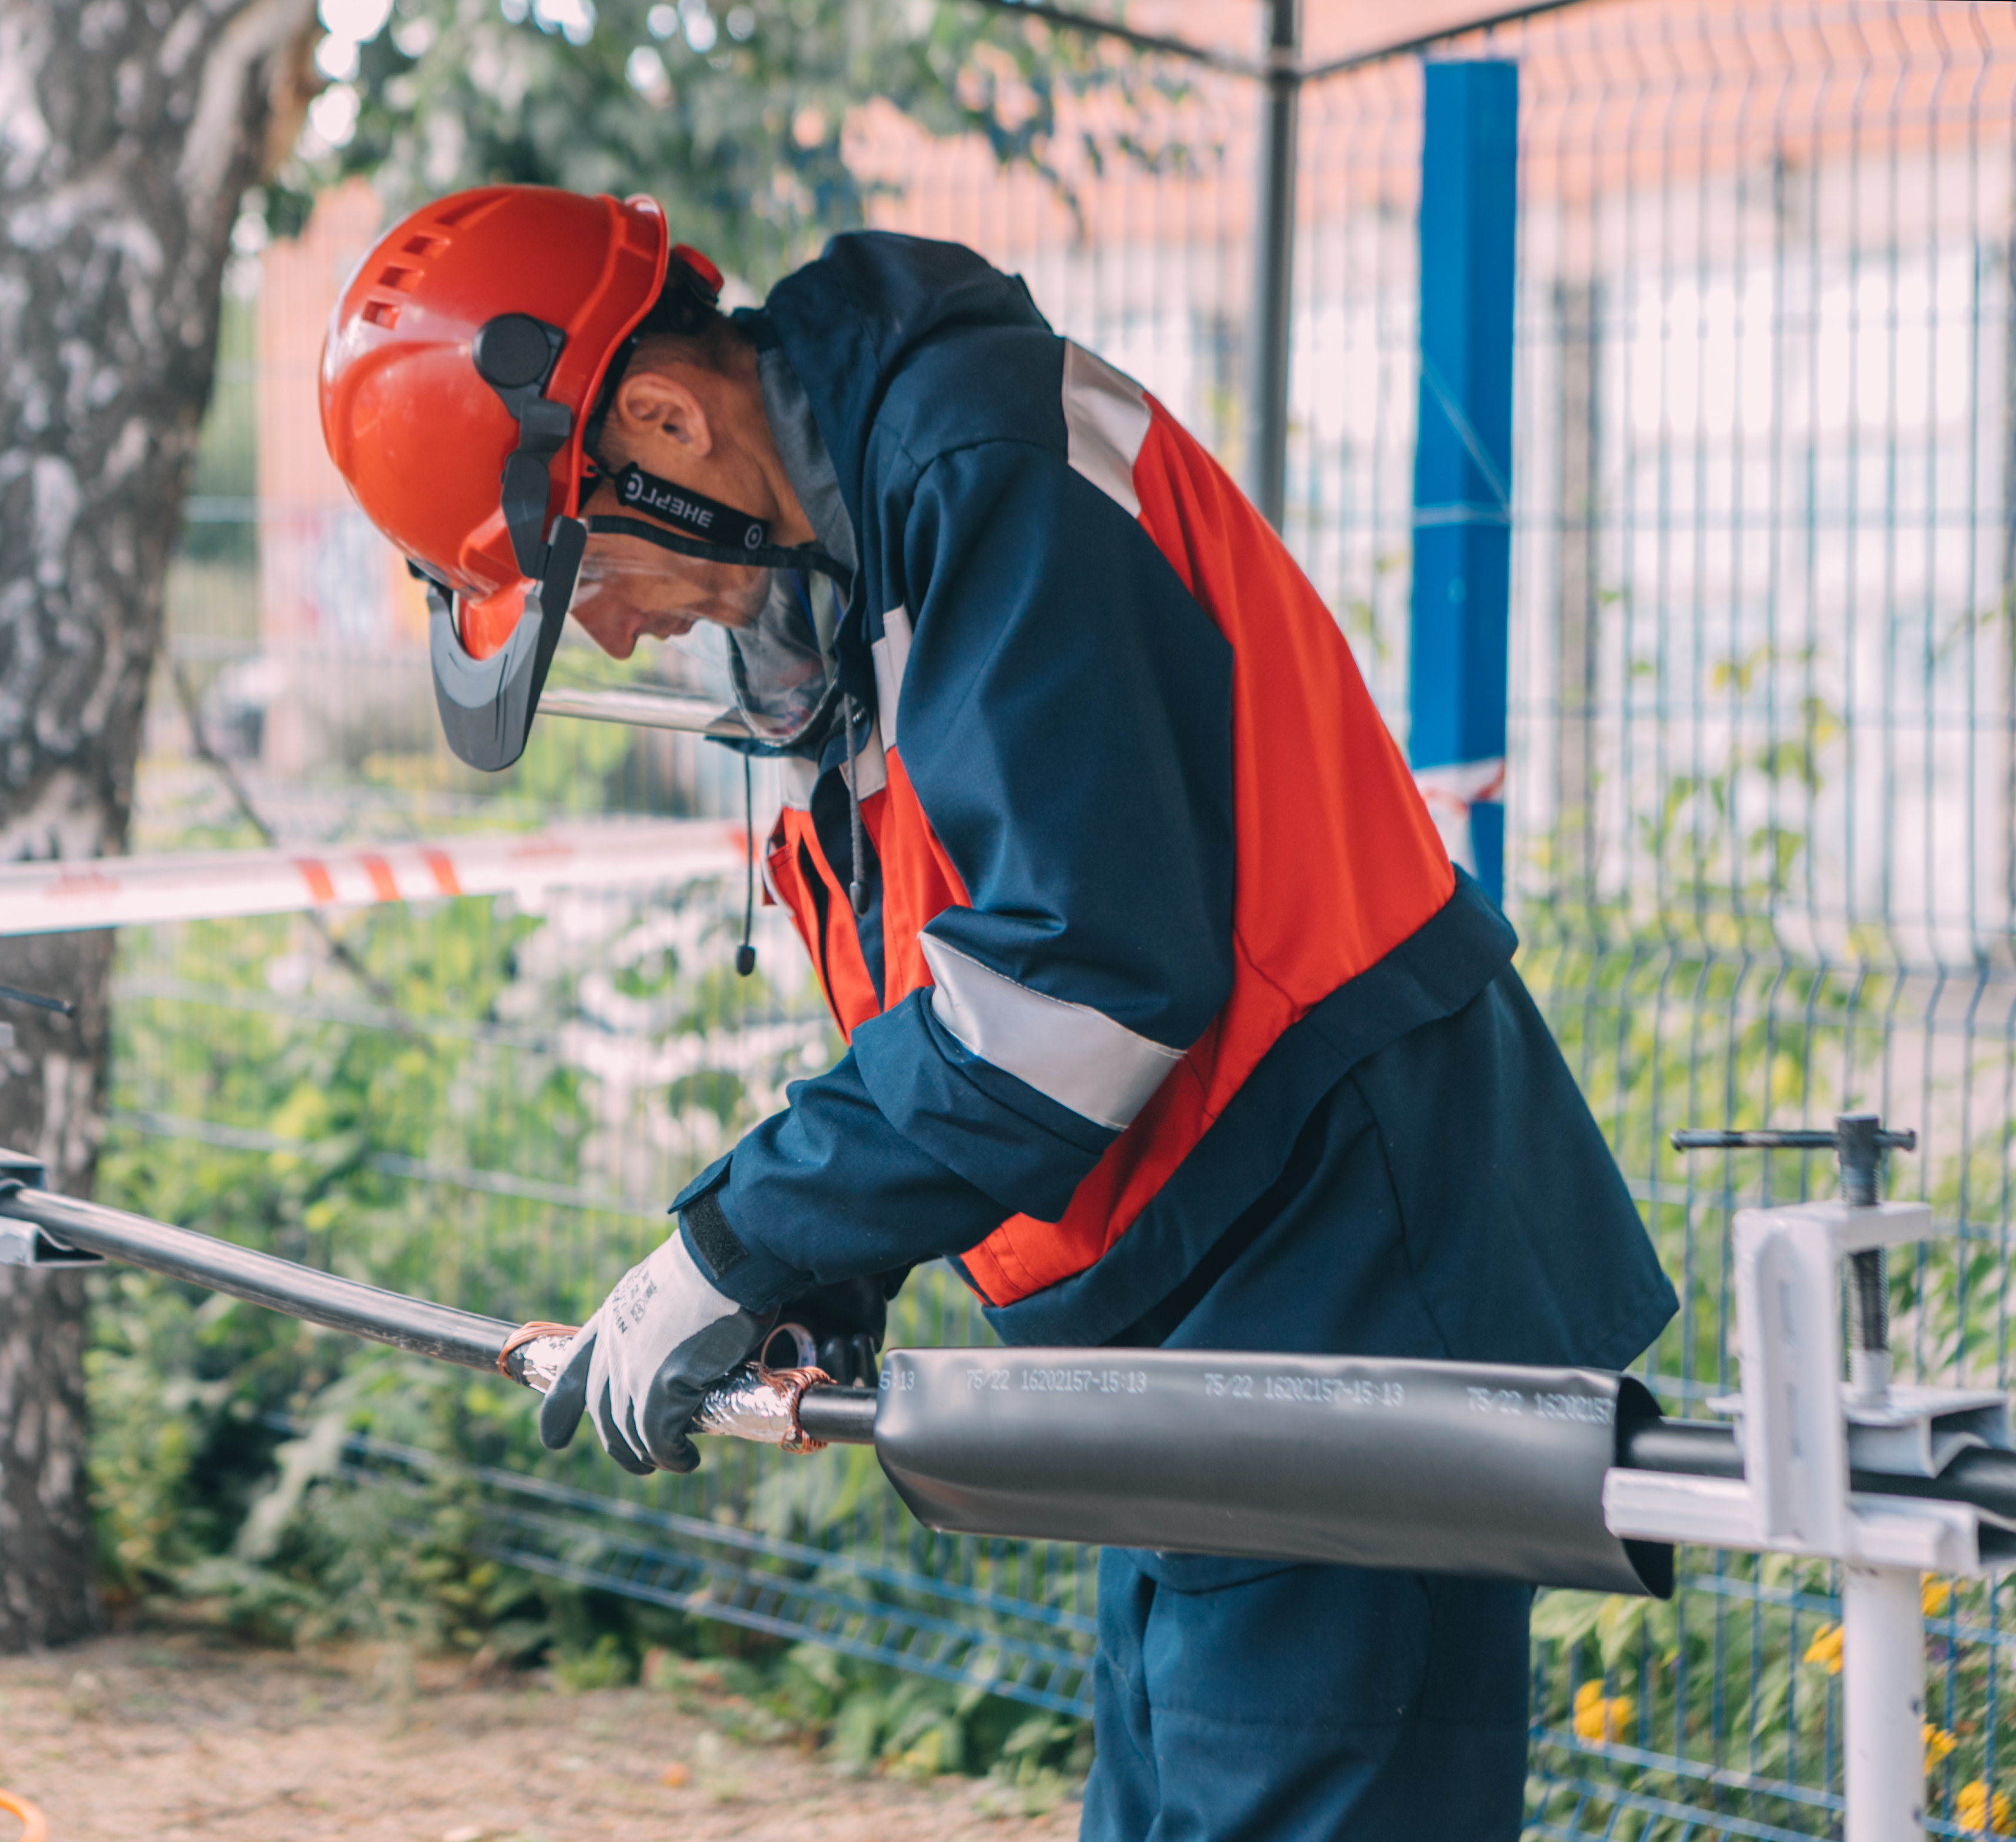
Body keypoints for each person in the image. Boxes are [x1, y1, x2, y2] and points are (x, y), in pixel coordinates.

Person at [319, 185, 1676, 1841]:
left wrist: (737, 1245)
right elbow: (960, 982)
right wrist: (831, 1261)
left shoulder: (975, 475)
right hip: (1203, 1300)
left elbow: (1074, 985)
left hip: (1344, 1274)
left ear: (666, 421)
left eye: (579, 573)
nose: (605, 626)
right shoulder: (852, 554)